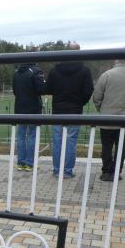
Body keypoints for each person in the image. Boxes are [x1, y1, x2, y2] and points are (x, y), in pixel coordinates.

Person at [44, 42, 93, 178]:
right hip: (75, 112)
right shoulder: (85, 70)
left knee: (57, 142)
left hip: (58, 111)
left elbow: (48, 89)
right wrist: (79, 102)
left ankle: (56, 170)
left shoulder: (55, 70)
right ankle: (67, 170)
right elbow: (88, 91)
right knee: (71, 142)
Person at [13, 56, 45, 171]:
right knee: (32, 136)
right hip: (33, 110)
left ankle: (20, 163)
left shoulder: (16, 72)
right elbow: (41, 89)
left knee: (21, 136)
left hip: (20, 109)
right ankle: (29, 164)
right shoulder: (36, 71)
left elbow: (15, 91)